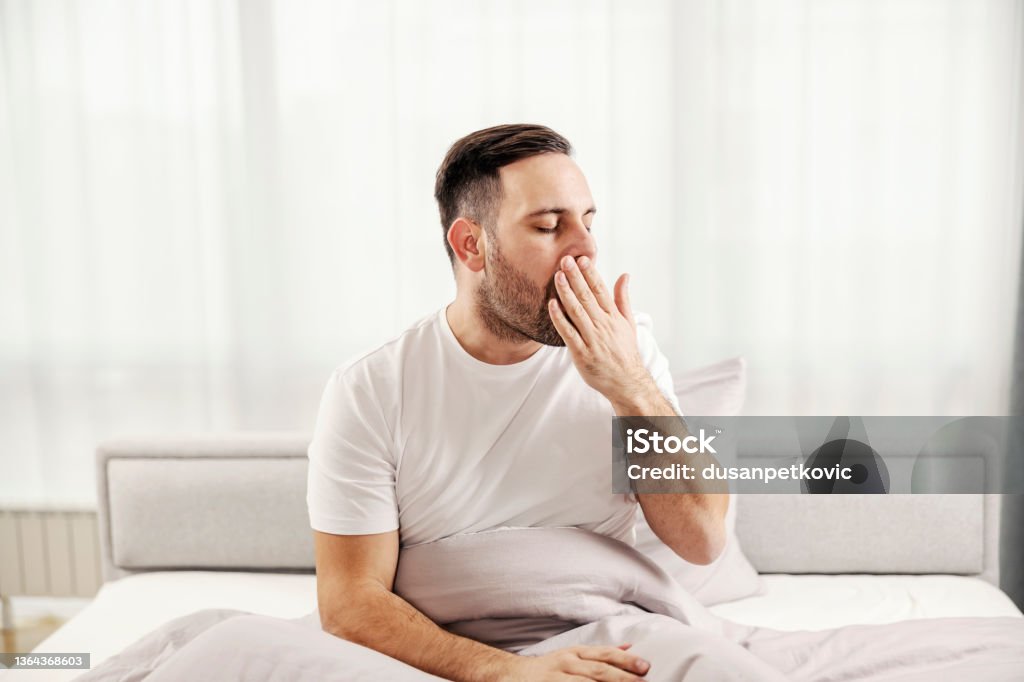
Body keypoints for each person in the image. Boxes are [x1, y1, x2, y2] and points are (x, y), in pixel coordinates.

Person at [307, 123, 728, 681]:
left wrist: (631, 387)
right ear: (471, 245)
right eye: (550, 226)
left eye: (588, 221)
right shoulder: (372, 388)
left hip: (610, 632)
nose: (586, 247)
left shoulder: (627, 350)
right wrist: (503, 671)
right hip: (444, 649)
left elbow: (702, 540)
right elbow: (349, 602)